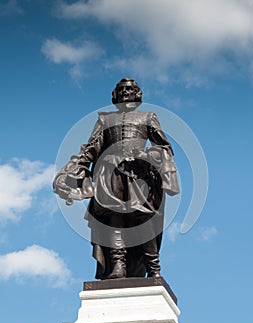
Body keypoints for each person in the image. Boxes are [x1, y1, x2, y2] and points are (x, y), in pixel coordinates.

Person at [53, 78, 179, 279]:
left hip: (139, 174)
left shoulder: (148, 117)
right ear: (115, 94)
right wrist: (77, 166)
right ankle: (117, 266)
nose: (125, 92)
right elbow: (92, 147)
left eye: (130, 89)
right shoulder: (104, 119)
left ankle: (153, 267)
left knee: (143, 218)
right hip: (109, 172)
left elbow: (164, 147)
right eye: (121, 89)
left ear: (137, 93)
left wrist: (147, 156)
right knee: (114, 219)